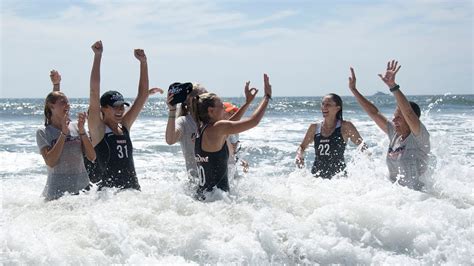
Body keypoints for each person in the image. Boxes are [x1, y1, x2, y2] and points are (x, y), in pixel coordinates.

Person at [349, 60, 430, 191]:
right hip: (394, 197)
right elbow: (374, 113)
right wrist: (354, 90)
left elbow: (408, 112)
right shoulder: (395, 134)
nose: (394, 120)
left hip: (417, 198)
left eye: (398, 117)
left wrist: (393, 86)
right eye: (394, 117)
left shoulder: (419, 137)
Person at [191, 74, 271, 199]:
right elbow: (253, 121)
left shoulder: (202, 129)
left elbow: (231, 124)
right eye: (221, 106)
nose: (224, 109)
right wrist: (267, 97)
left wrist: (247, 103)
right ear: (211, 111)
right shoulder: (218, 128)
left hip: (203, 197)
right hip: (216, 201)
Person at [88, 40, 150, 191]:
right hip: (110, 198)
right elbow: (94, 91)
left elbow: (142, 95)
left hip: (133, 192)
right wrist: (98, 56)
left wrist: (143, 62)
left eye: (122, 106)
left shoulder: (125, 126)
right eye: (115, 107)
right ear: (103, 108)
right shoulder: (99, 130)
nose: (120, 110)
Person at [165, 81, 255, 182]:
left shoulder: (213, 119)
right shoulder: (184, 122)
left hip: (228, 179)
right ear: (191, 100)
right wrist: (172, 110)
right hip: (199, 183)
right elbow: (170, 139)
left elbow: (231, 125)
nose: (208, 97)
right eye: (204, 95)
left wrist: (237, 158)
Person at [36, 89, 96, 201]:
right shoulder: (43, 132)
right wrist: (63, 133)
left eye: (68, 102)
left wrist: (82, 131)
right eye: (63, 102)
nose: (67, 105)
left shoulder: (77, 127)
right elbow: (50, 162)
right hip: (57, 193)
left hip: (82, 189)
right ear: (51, 106)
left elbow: (92, 157)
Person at [295, 93, 365, 179]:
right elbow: (302, 147)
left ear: (337, 108)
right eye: (323, 104)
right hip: (317, 178)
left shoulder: (345, 126)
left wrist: (360, 165)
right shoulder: (314, 128)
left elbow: (362, 146)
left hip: (339, 179)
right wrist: (299, 155)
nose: (324, 107)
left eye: (328, 104)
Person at [50, 69, 102, 183]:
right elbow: (56, 114)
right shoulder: (77, 130)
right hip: (77, 186)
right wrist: (56, 85)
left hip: (92, 190)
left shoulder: (106, 131)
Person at [223, 102, 249, 178]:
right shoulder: (222, 129)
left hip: (231, 164)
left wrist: (241, 160)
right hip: (223, 165)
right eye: (230, 112)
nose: (233, 114)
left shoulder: (235, 130)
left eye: (234, 112)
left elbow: (234, 153)